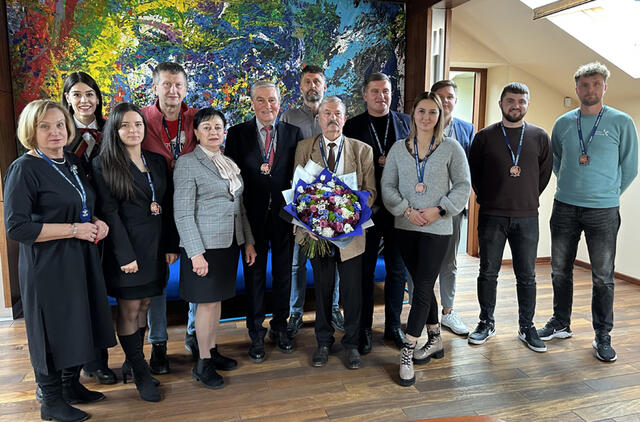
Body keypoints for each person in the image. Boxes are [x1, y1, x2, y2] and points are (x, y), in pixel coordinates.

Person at [4, 100, 116, 421]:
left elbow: (80, 203)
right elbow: (17, 226)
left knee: (80, 320)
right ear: (31, 131)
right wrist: (74, 229)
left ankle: (70, 386)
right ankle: (51, 401)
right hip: (47, 264)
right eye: (45, 126)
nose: (55, 132)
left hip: (79, 255)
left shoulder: (70, 161)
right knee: (51, 329)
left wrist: (96, 220)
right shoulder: (24, 168)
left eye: (59, 125)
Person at [537, 62, 638, 362]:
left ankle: (602, 335)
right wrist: (573, 187)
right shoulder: (564, 123)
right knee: (558, 270)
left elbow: (630, 167)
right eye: (584, 84)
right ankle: (560, 323)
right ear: (576, 88)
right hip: (565, 205)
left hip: (604, 211)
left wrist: (607, 195)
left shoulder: (622, 122)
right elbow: (557, 161)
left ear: (605, 87)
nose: (589, 89)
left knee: (603, 277)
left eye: (595, 84)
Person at [381, 92, 470, 387]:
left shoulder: (452, 149)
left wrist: (438, 209)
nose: (427, 117)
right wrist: (406, 210)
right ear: (413, 115)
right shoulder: (397, 149)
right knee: (418, 282)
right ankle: (435, 340)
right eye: (421, 111)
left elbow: (463, 186)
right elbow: (388, 187)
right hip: (405, 225)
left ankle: (407, 350)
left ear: (440, 115)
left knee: (421, 287)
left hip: (437, 226)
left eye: (433, 112)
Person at [92, 102, 179, 401]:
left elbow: (165, 207)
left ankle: (134, 361)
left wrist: (170, 245)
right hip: (126, 248)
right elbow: (109, 213)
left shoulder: (155, 161)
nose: (133, 130)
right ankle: (141, 372)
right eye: (125, 125)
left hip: (155, 247)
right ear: (115, 131)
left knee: (144, 305)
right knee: (130, 308)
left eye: (138, 124)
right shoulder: (103, 163)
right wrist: (124, 255)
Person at [174, 108, 257, 388]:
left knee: (216, 302)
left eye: (218, 127)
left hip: (228, 244)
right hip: (204, 247)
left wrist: (247, 241)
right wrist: (195, 253)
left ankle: (210, 350)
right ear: (195, 133)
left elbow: (239, 207)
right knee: (206, 304)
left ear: (224, 131)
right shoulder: (187, 163)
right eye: (206, 127)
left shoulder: (227, 162)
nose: (213, 131)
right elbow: (183, 213)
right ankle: (203, 364)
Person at [467, 83, 552, 352]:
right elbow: (475, 174)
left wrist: (524, 197)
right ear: (501, 104)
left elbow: (543, 175)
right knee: (488, 272)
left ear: (527, 104)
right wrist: (491, 198)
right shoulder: (484, 137)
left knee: (526, 275)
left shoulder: (540, 136)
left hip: (526, 217)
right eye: (511, 100)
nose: (516, 105)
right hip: (492, 214)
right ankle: (486, 322)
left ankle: (527, 327)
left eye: (521, 101)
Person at [293, 96, 376, 369]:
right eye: (326, 113)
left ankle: (351, 343)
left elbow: (371, 192)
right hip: (316, 236)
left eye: (337, 114)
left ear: (344, 118)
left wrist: (349, 217)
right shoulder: (305, 148)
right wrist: (310, 224)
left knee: (352, 292)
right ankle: (323, 342)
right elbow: (297, 191)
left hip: (350, 235)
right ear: (319, 118)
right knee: (324, 290)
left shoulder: (362, 150)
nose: (332, 118)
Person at [224, 80, 303, 363]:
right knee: (255, 277)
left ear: (279, 103)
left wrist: (300, 216)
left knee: (284, 274)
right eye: (260, 100)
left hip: (284, 218)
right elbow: (232, 179)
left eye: (271, 100)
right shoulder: (237, 134)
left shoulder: (294, 133)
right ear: (252, 103)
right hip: (252, 219)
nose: (266, 106)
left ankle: (279, 328)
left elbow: (300, 178)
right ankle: (255, 333)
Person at [343, 72, 411, 352]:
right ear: (364, 94)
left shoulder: (407, 123)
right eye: (375, 91)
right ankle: (364, 329)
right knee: (365, 272)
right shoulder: (353, 126)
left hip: (398, 209)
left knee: (397, 270)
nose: (381, 96)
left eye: (386, 91)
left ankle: (393, 326)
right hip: (366, 211)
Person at [141, 62, 199, 373]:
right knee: (157, 280)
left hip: (192, 208)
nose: (172, 91)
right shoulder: (141, 120)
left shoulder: (197, 119)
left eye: (178, 85)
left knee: (195, 271)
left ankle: (194, 335)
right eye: (166, 84)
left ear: (186, 89)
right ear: (155, 88)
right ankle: (159, 345)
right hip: (156, 211)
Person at [60, 71, 117, 386]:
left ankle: (101, 360)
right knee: (81, 296)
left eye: (90, 94)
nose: (84, 101)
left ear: (98, 98)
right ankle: (82, 364)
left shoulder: (111, 130)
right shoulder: (59, 132)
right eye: (77, 94)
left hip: (110, 223)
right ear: (67, 97)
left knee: (101, 296)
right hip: (74, 226)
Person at [281, 65, 344, 337]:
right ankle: (295, 313)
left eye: (317, 81)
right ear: (300, 86)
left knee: (334, 260)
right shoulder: (289, 116)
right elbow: (287, 164)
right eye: (307, 82)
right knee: (297, 263)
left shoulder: (333, 112)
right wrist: (296, 212)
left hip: (333, 203)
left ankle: (333, 308)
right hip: (302, 203)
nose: (312, 86)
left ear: (324, 85)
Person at [430, 79, 475, 336]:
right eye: (440, 96)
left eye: (450, 97)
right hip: (423, 208)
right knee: (421, 265)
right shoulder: (421, 126)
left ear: (455, 101)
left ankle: (448, 311)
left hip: (453, 209)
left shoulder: (467, 130)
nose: (445, 101)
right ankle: (421, 311)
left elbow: (470, 171)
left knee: (449, 262)